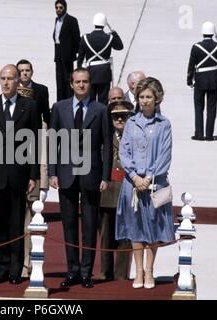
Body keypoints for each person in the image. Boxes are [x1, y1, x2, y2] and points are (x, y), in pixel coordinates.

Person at [49, 67, 111, 288]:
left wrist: (105, 176)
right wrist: (52, 172)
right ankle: (72, 270)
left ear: (90, 84)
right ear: (71, 84)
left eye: (85, 82)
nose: (82, 85)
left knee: (89, 224)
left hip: (91, 174)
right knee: (69, 225)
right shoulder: (59, 108)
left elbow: (106, 144)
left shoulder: (101, 110)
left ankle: (86, 272)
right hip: (65, 174)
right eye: (78, 82)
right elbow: (52, 142)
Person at [0, 64, 39, 285]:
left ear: (17, 81)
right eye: (2, 78)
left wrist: (33, 175)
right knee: (0, 223)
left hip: (19, 175)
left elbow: (34, 143)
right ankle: (1, 266)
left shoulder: (29, 106)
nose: (6, 82)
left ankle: (16, 267)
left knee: (16, 223)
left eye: (10, 78)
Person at [116, 77, 175, 289]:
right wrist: (134, 176)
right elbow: (124, 151)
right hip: (132, 184)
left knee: (153, 228)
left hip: (154, 184)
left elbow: (164, 154)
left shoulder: (164, 124)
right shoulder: (131, 122)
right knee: (135, 228)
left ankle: (150, 271)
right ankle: (138, 271)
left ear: (157, 98)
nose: (145, 101)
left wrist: (149, 177)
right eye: (141, 97)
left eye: (149, 96)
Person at [16, 59, 50, 277]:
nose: (25, 74)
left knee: (32, 220)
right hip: (13, 170)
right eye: (22, 71)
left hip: (34, 170)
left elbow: (46, 121)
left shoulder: (42, 91)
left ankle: (30, 264)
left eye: (28, 71)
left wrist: (44, 182)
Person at [98, 100, 133, 281]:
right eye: (115, 116)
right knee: (105, 234)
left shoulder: (135, 137)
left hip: (127, 191)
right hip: (108, 191)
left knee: (125, 236)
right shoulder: (105, 136)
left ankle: (121, 275)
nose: (119, 119)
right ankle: (105, 272)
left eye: (124, 116)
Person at [187, 21, 217, 141]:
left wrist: (189, 80)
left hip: (200, 80)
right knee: (212, 108)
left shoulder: (196, 47)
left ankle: (199, 134)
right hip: (214, 81)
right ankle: (210, 135)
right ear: (213, 33)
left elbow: (191, 65)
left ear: (203, 32)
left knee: (198, 107)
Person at [77, 12, 124, 105]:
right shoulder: (110, 37)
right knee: (103, 102)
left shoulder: (85, 38)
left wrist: (79, 73)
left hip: (90, 72)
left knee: (90, 101)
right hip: (104, 73)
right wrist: (113, 32)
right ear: (104, 24)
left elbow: (80, 58)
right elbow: (120, 46)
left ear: (94, 23)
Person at [53, 0, 80, 101]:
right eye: (57, 8)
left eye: (61, 7)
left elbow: (76, 38)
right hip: (58, 53)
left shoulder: (71, 20)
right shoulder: (57, 20)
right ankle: (60, 101)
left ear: (65, 8)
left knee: (68, 80)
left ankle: (69, 100)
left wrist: (76, 53)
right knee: (59, 81)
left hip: (67, 55)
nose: (58, 10)